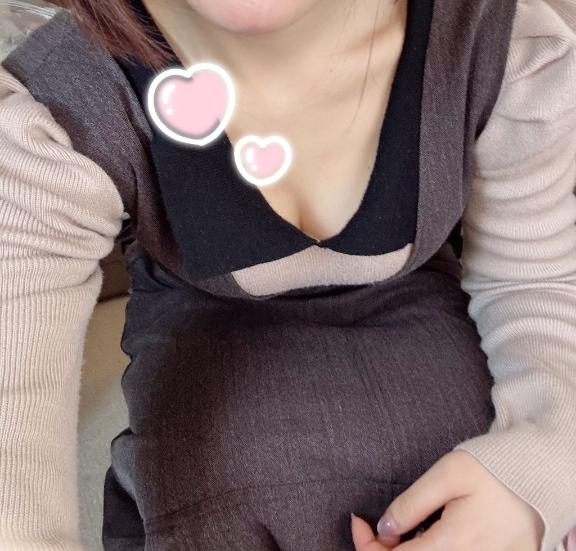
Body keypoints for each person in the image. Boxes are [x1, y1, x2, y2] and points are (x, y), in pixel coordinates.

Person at [0, 0, 575, 550]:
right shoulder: (51, 118)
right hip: (206, 417)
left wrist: (544, 462)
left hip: (451, 387)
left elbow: (535, 278)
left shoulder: (511, 49)